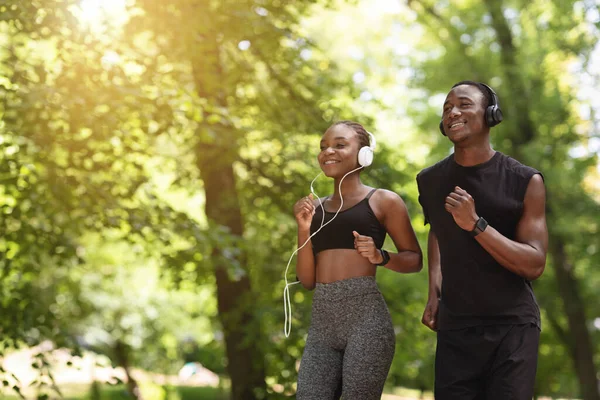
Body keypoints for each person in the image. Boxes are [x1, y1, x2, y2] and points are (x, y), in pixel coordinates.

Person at [416, 81, 548, 399]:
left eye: (464, 104)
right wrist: (434, 291)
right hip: (455, 328)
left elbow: (535, 263)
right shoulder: (429, 180)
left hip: (512, 327)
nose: (453, 112)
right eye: (447, 108)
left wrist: (476, 225)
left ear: (490, 115)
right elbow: (437, 230)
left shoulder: (525, 180)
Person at [292, 121, 423, 399]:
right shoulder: (312, 209)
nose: (328, 151)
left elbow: (414, 260)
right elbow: (306, 281)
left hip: (366, 321)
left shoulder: (384, 201)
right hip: (322, 325)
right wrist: (303, 228)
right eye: (323, 146)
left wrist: (381, 256)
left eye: (339, 145)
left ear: (364, 154)